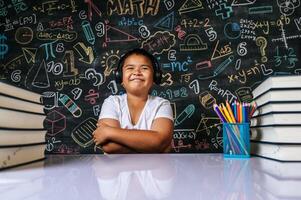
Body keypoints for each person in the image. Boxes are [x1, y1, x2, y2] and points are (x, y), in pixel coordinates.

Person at [93, 48, 174, 153]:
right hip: (115, 169)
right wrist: (151, 146)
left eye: (144, 68)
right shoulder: (112, 102)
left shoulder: (162, 104)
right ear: (120, 77)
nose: (137, 72)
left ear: (155, 77)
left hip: (156, 169)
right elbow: (110, 147)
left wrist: (109, 131)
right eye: (130, 68)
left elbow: (159, 142)